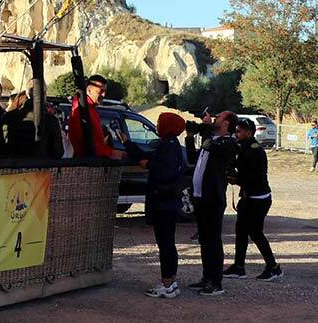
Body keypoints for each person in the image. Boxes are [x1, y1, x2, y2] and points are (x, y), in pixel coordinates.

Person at [117, 112, 188, 299]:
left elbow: (164, 171)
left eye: (160, 122)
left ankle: (167, 284)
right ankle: (171, 281)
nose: (157, 125)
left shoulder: (169, 148)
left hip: (163, 203)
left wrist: (148, 165)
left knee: (165, 244)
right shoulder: (170, 145)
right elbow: (147, 156)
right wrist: (127, 143)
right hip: (167, 203)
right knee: (168, 244)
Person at [185, 110, 238, 297]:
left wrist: (206, 128)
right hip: (200, 197)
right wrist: (190, 137)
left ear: (227, 124)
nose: (216, 119)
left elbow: (211, 146)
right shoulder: (214, 140)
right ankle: (207, 278)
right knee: (205, 240)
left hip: (213, 199)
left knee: (213, 241)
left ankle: (216, 282)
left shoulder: (229, 143)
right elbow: (192, 158)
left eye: (220, 117)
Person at [226, 118, 281, 282]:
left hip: (258, 198)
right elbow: (235, 163)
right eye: (236, 131)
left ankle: (273, 267)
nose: (237, 134)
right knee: (241, 232)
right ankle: (239, 267)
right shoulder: (244, 147)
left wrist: (236, 180)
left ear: (249, 133)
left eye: (239, 131)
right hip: (249, 197)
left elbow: (253, 177)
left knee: (256, 233)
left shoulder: (254, 150)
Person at [67, 75, 125, 161]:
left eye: (105, 91)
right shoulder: (81, 110)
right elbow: (83, 141)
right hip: (85, 163)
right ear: (89, 90)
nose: (104, 95)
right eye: (100, 91)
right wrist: (109, 153)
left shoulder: (90, 109)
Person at [2, 80, 65, 158]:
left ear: (27, 94)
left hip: (11, 166)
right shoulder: (50, 120)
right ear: (44, 94)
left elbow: (2, 146)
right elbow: (58, 152)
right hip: (42, 167)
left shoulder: (8, 117)